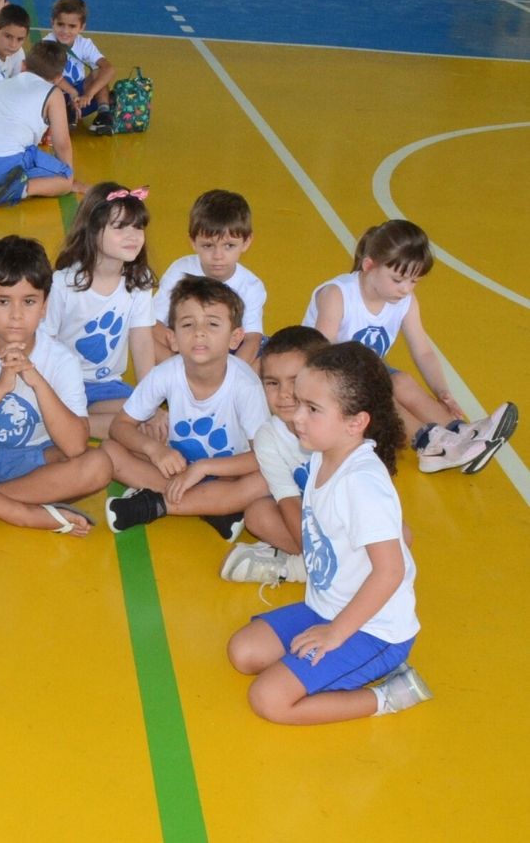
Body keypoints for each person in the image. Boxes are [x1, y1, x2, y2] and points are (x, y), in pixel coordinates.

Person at [226, 343, 432, 724]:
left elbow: (391, 571)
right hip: (326, 607)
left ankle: (387, 696)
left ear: (356, 423)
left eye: (312, 409)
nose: (297, 416)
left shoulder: (362, 483)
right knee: (243, 652)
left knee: (268, 699)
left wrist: (336, 633)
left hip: (374, 629)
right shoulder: (324, 453)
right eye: (299, 403)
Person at [305, 219, 516, 473]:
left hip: (364, 372)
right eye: (398, 279)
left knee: (401, 380)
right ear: (369, 266)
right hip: (321, 375)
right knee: (382, 392)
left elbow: (423, 351)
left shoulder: (405, 301)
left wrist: (442, 392)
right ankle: (429, 445)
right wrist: (366, 385)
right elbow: (321, 355)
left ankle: (460, 433)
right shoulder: (337, 294)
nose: (406, 289)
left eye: (414, 281)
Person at [0, 235, 104, 536]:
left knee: (98, 465)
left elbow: (74, 446)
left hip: (29, 462)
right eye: (3, 301)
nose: (16, 315)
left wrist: (36, 380)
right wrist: (1, 387)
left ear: (44, 306)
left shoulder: (61, 360)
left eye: (29, 302)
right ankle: (18, 509)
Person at [103, 276, 271, 539]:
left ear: (235, 338)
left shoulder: (245, 385)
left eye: (212, 324)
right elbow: (119, 427)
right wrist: (155, 450)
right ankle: (213, 507)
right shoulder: (165, 373)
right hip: (176, 466)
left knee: (266, 479)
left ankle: (154, 505)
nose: (199, 332)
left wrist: (203, 468)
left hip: (226, 474)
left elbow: (262, 456)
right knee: (109, 452)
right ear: (172, 339)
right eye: (187, 324)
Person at [41, 182, 158, 438]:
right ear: (92, 230)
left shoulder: (139, 281)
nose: (133, 236)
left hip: (107, 387)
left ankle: (71, 425)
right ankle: (61, 422)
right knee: (138, 425)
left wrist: (148, 400)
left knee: (153, 420)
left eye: (138, 227)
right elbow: (44, 345)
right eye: (120, 227)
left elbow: (142, 341)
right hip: (61, 385)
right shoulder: (62, 284)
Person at [219, 325, 329, 585]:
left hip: (347, 518)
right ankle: (322, 566)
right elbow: (288, 500)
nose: (284, 394)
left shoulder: (341, 424)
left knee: (402, 535)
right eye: (272, 383)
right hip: (306, 521)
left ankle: (295, 568)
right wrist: (314, 550)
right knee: (257, 514)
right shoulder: (268, 437)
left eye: (295, 381)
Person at [0, 38, 77, 209]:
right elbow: (62, 143)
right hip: (2, 166)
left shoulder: (1, 84)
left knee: (15, 156)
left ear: (23, 66)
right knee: (65, 180)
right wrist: (67, 175)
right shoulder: (53, 92)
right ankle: (21, 189)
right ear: (58, 78)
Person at [154, 189, 267, 365]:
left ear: (246, 242)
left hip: (227, 352)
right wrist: (188, 359)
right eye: (208, 246)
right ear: (193, 242)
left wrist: (230, 373)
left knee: (268, 358)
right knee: (141, 333)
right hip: (183, 347)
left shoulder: (251, 286)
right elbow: (154, 322)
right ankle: (182, 374)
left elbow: (252, 338)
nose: (218, 256)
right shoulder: (179, 270)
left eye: (229, 246)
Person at [45, 0, 116, 127]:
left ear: (82, 27)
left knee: (98, 73)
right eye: (60, 24)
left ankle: (104, 114)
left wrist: (88, 94)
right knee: (53, 90)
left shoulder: (84, 44)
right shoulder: (47, 44)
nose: (65, 31)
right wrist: (73, 93)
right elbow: (52, 76)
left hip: (78, 97)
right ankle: (65, 114)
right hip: (55, 96)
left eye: (72, 26)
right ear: (52, 22)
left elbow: (109, 69)